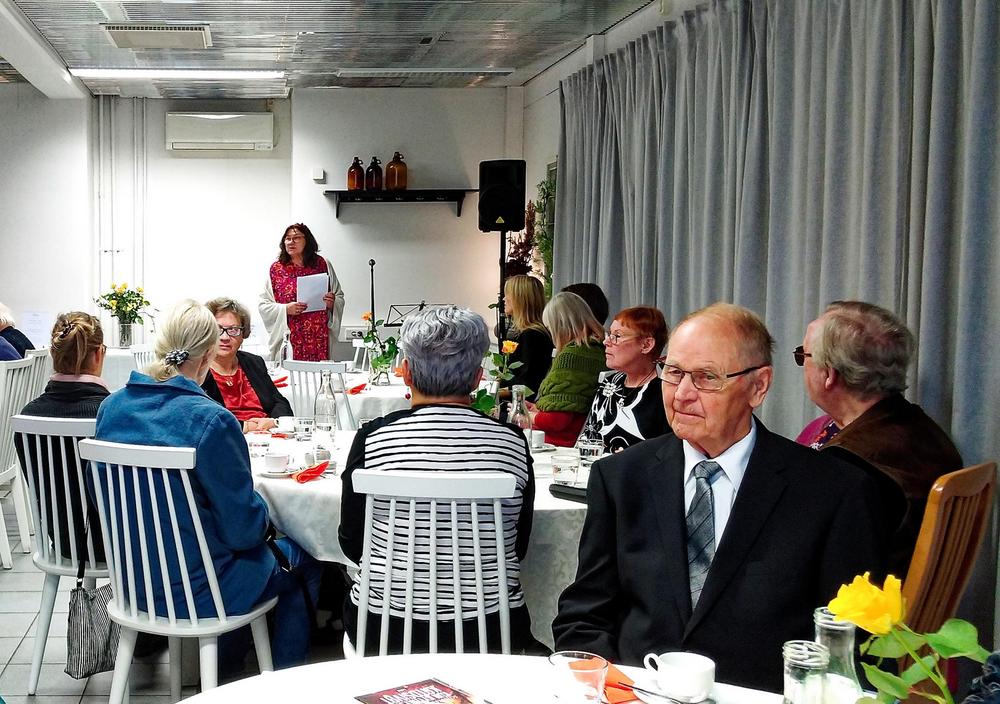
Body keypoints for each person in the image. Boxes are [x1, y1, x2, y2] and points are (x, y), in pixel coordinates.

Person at [553, 303, 886, 692]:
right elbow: (584, 615)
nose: (682, 395)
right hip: (636, 692)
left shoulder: (831, 491)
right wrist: (612, 690)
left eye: (706, 378)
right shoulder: (621, 477)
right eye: (673, 372)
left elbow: (852, 643)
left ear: (758, 386)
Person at [90, 300, 321, 670]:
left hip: (133, 581)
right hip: (199, 588)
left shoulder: (112, 408)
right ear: (207, 356)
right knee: (303, 556)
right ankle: (279, 680)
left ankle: (224, 669)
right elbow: (243, 532)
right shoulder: (212, 420)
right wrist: (266, 512)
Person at [339, 306, 545, 655]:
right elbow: (517, 546)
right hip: (491, 630)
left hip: (384, 629)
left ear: (406, 373)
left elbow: (352, 542)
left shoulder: (373, 438)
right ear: (478, 378)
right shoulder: (511, 441)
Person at [799, 300, 963, 576]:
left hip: (863, 595)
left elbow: (810, 555)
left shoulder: (847, 465)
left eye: (803, 355)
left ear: (828, 374)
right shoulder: (919, 426)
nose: (802, 364)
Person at [15, 312, 109, 561]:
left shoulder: (28, 417)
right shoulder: (113, 414)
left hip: (63, 543)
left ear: (52, 353)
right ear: (99, 353)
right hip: (117, 544)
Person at [580, 306, 671, 453]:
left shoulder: (665, 391)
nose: (606, 342)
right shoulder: (610, 383)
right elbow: (588, 440)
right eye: (609, 334)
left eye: (617, 336)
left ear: (646, 345)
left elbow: (667, 453)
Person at [201, 297, 292, 432]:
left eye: (233, 330)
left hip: (267, 435)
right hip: (227, 437)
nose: (225, 337)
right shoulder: (198, 369)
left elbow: (280, 403)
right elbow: (203, 419)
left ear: (244, 333)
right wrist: (247, 427)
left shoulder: (254, 362)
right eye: (217, 329)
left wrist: (274, 422)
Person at [527, 292, 607, 446]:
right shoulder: (598, 350)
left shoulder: (571, 356)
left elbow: (557, 421)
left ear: (560, 326)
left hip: (558, 442)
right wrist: (538, 407)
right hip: (581, 436)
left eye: (550, 328)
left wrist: (527, 415)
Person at [259, 223, 345, 361]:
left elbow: (339, 296)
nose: (290, 242)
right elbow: (263, 306)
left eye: (296, 238)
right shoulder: (276, 269)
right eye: (287, 239)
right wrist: (285, 309)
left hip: (319, 336)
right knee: (291, 372)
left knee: (320, 372)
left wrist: (332, 303)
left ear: (307, 241)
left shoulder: (323, 264)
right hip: (290, 336)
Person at [500, 275, 553, 401]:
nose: (503, 299)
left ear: (520, 299)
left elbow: (528, 385)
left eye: (508, 294)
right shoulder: (526, 333)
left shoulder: (532, 336)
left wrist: (494, 392)